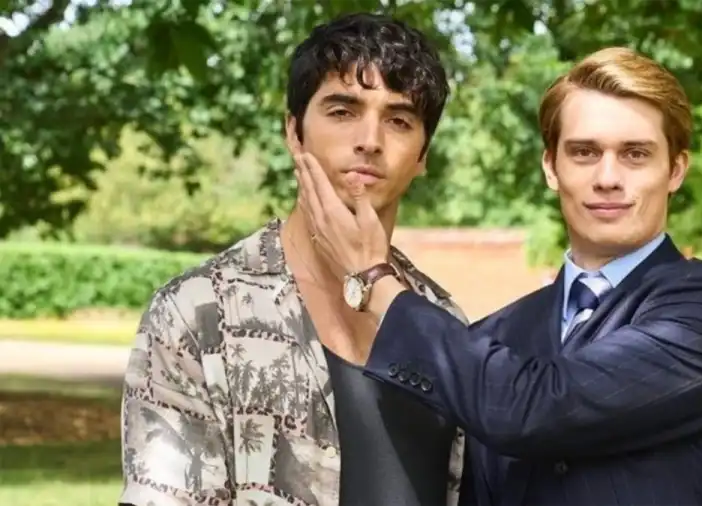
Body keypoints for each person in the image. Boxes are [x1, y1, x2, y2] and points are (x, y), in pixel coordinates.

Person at [296, 46, 702, 505]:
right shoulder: (496, 335)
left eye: (635, 154)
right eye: (584, 152)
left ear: (675, 170)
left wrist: (375, 278)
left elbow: (536, 407)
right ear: (551, 167)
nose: (608, 178)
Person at [118, 13, 471, 506]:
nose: (370, 140)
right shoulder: (199, 313)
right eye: (342, 111)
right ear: (294, 132)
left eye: (399, 120)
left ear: (423, 155)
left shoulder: (442, 323)